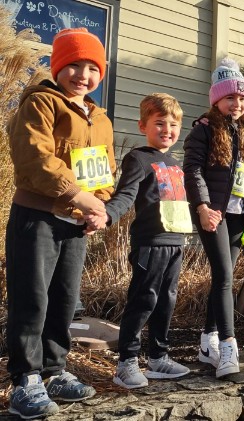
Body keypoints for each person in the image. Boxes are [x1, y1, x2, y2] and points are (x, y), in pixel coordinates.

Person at [5, 28, 116, 419]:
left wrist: (99, 206)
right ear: (57, 67)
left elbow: (104, 170)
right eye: (73, 65)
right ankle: (25, 379)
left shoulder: (99, 117)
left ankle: (54, 370)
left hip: (75, 224)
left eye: (92, 68)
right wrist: (78, 197)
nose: (82, 75)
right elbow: (34, 159)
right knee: (31, 298)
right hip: (37, 218)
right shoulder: (40, 103)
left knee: (64, 300)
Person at [86, 93, 192, 388]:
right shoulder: (138, 158)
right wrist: (106, 216)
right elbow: (125, 195)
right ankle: (126, 363)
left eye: (173, 124)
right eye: (159, 123)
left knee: (167, 301)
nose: (167, 130)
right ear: (142, 125)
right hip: (150, 242)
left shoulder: (175, 163)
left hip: (176, 242)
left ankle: (158, 357)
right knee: (144, 300)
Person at [184, 58, 244, 376]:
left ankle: (208, 341)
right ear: (217, 99)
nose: (238, 103)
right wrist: (202, 207)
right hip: (213, 214)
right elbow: (192, 170)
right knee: (225, 277)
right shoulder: (203, 130)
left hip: (239, 215)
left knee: (222, 278)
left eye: (243, 98)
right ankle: (229, 349)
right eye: (231, 97)